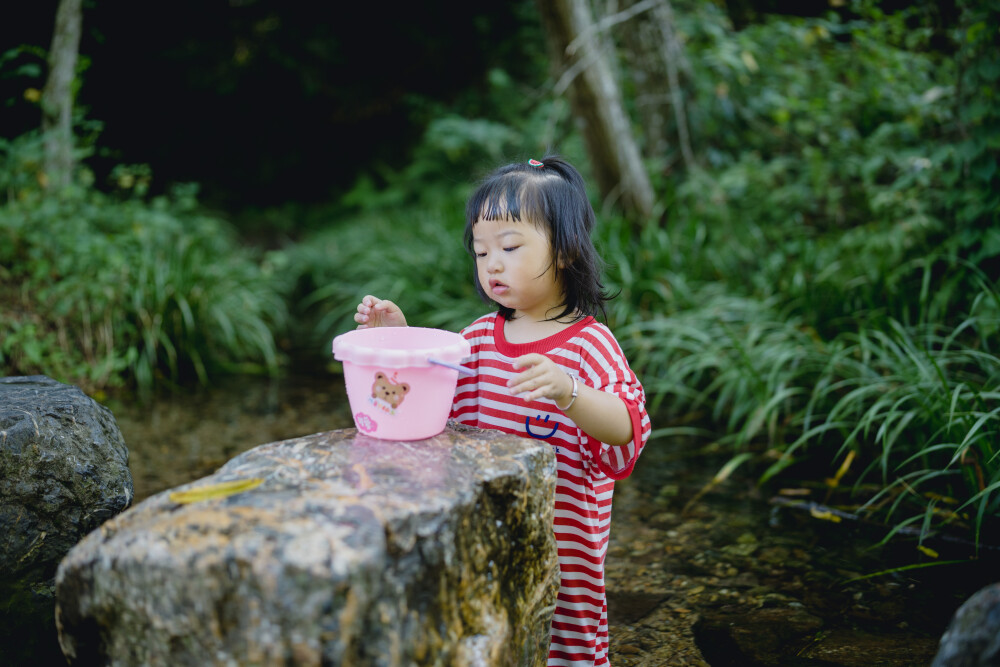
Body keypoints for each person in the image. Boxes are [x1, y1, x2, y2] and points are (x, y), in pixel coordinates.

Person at [354, 155, 650, 666]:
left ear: (564, 251)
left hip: (564, 551)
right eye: (481, 250)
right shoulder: (473, 340)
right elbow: (418, 409)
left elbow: (627, 432)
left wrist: (570, 391)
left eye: (510, 247)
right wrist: (397, 342)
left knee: (566, 647)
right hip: (484, 540)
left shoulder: (589, 346)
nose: (492, 262)